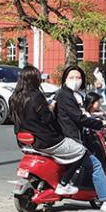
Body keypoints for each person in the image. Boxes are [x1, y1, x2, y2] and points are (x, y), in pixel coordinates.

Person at [55, 65, 106, 212]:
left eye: (78, 77)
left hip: (69, 136)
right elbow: (79, 117)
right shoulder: (65, 95)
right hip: (71, 138)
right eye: (72, 77)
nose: (75, 80)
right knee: (95, 165)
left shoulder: (71, 95)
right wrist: (103, 124)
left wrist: (99, 119)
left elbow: (82, 114)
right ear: (65, 79)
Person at [9, 65, 87, 196]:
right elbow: (48, 119)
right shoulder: (36, 96)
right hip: (45, 141)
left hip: (24, 142)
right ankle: (64, 183)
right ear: (35, 79)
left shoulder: (13, 98)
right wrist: (50, 107)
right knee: (80, 150)